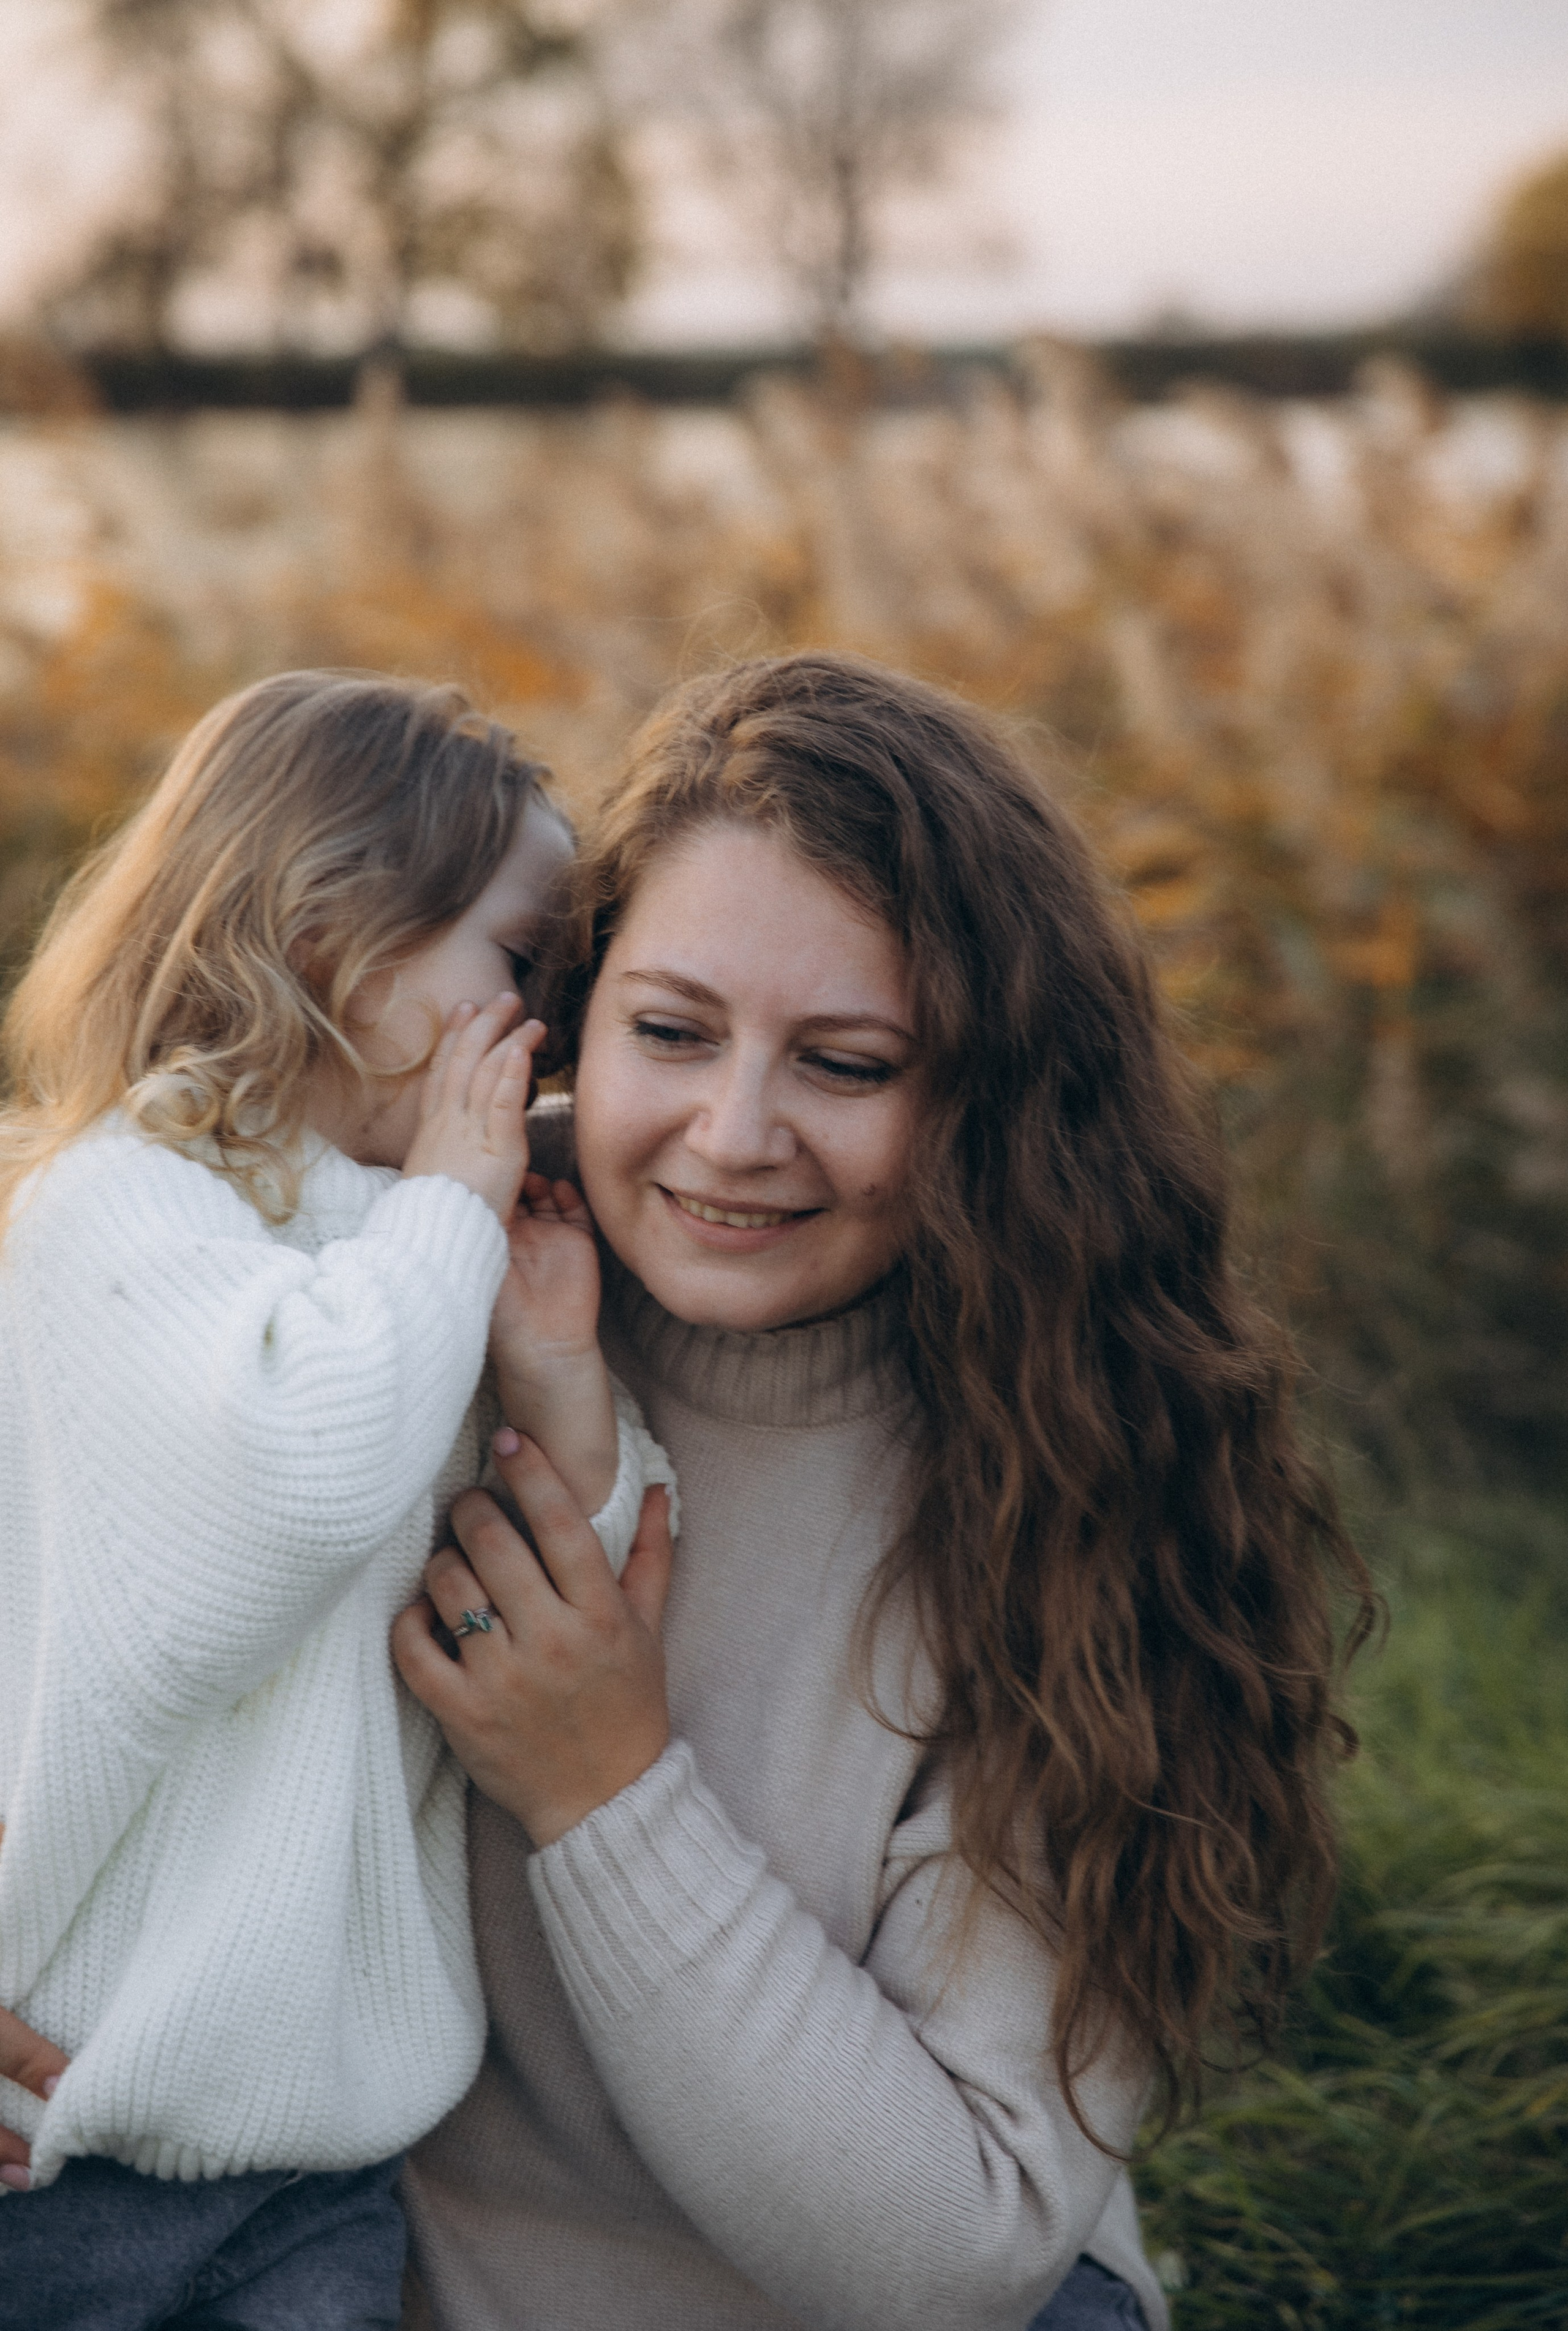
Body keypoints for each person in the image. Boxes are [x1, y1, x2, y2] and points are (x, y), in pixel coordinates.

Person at [380, 651, 1378, 2331]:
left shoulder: (1086, 1467)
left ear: (988, 1103)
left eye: (846, 1065)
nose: (732, 1133)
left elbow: (953, 2252)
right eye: (672, 1032)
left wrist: (603, 1791)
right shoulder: (391, 1278)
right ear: (576, 1012)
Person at [0, 671, 674, 2331]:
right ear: (331, 935)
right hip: (66, 2143)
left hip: (325, 2171)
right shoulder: (120, 1211)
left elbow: (594, 1577)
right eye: (519, 963)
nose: (554, 1031)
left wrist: (557, 1373)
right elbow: (300, 1476)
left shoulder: (407, 1260)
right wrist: (445, 1213)